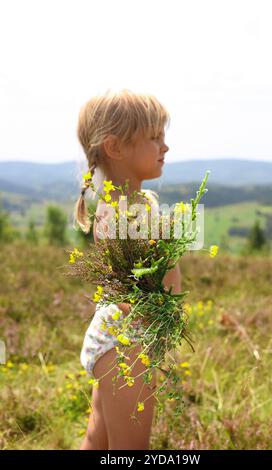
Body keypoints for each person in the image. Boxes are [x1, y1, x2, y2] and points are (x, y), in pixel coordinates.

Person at [73, 88, 181, 450]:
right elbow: (128, 291)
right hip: (127, 345)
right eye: (154, 138)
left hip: (118, 339)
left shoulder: (137, 202)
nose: (164, 147)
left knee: (99, 436)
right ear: (116, 147)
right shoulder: (119, 210)